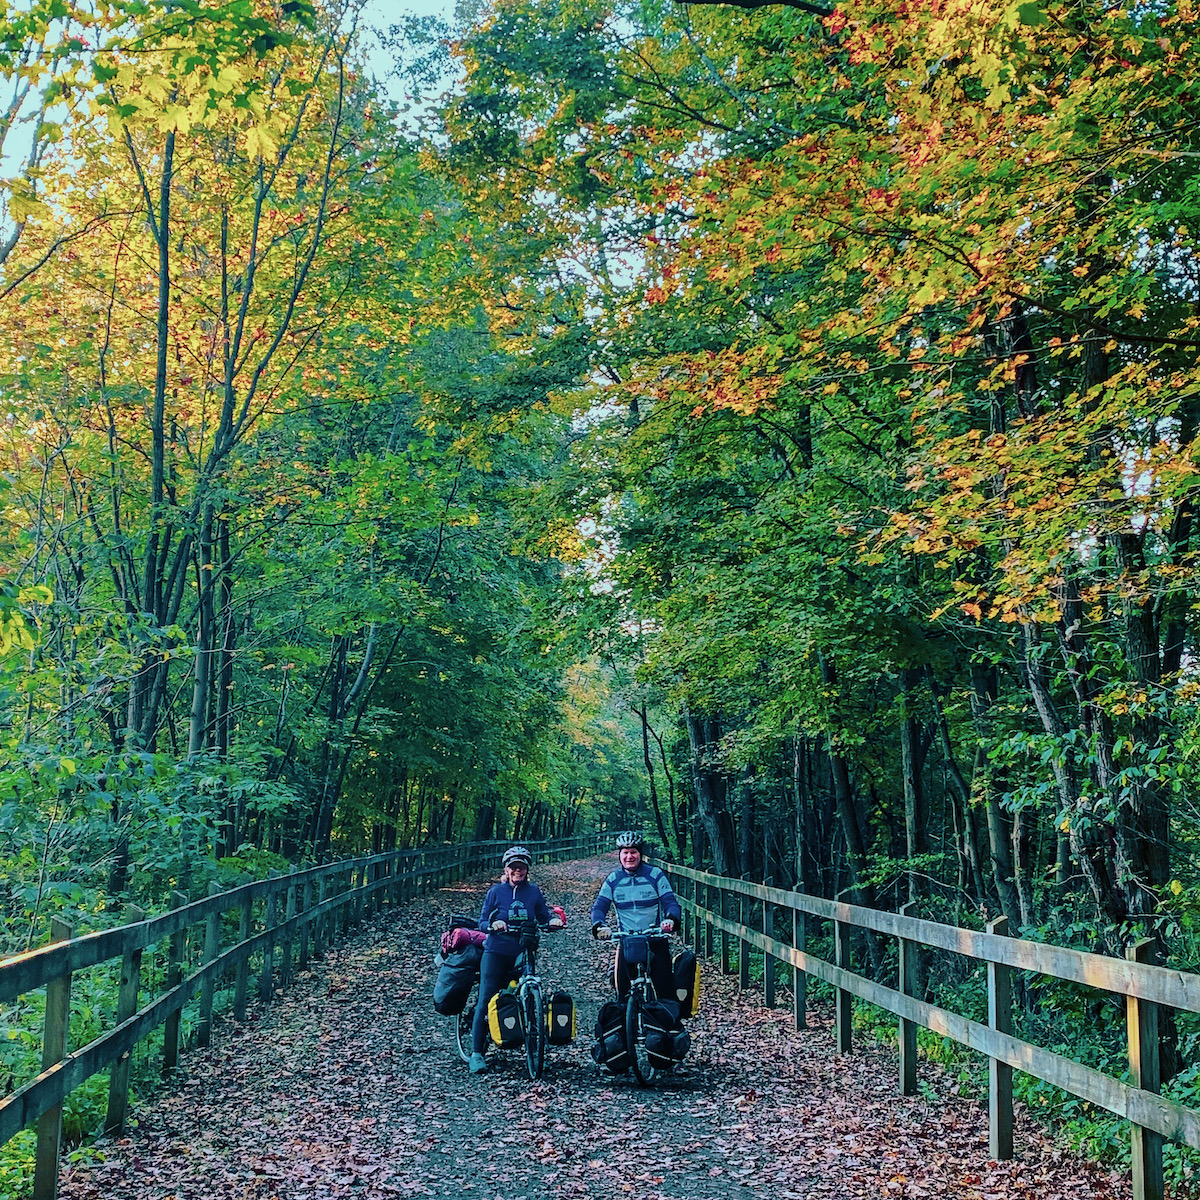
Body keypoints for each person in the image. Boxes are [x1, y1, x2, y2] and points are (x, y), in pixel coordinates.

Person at [468, 845, 562, 1074]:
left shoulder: (533, 891)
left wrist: (552, 922)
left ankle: (536, 1049)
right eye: (513, 867)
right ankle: (476, 1053)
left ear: (527, 869)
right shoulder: (495, 893)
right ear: (506, 869)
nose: (517, 871)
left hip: (525, 950)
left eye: (521, 867)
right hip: (496, 952)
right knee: (487, 997)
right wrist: (494, 925)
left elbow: (543, 916)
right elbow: (481, 923)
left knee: (531, 997)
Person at [591, 831, 682, 1002]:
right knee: (622, 996)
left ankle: (669, 1027)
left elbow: (671, 902)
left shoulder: (655, 875)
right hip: (627, 941)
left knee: (665, 994)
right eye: (625, 852)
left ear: (640, 854)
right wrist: (599, 925)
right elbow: (599, 907)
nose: (629, 856)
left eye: (633, 852)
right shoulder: (613, 880)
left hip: (655, 939)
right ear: (619, 855)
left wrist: (670, 919)